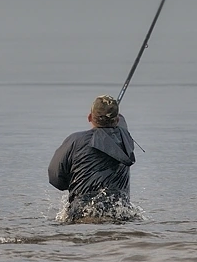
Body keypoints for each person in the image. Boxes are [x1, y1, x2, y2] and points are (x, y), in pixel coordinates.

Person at [48, 95, 136, 223]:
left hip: (82, 211)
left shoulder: (75, 140)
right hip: (119, 210)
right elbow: (121, 124)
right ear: (116, 120)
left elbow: (55, 178)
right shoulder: (125, 139)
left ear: (89, 117)